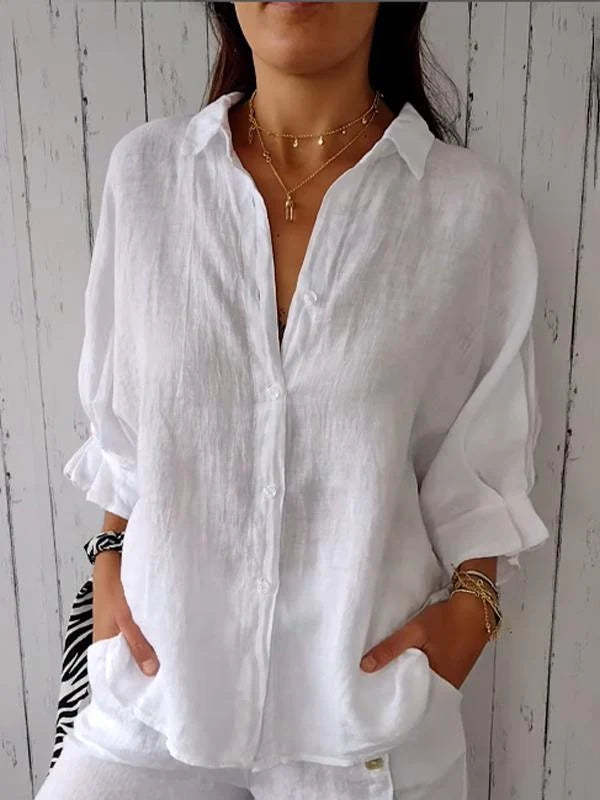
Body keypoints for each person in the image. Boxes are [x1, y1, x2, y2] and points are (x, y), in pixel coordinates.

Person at [36, 2, 551, 799]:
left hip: (365, 727)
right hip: (155, 698)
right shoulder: (148, 177)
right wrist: (109, 558)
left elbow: (479, 467)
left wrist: (470, 616)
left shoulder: (466, 208)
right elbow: (127, 433)